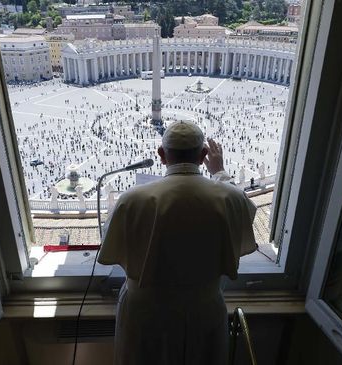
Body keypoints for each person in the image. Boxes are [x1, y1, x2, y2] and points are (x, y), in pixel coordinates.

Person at [97, 121, 258, 365]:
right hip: (204, 310)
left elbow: (112, 248)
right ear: (204, 155)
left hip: (145, 312)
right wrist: (220, 172)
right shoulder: (229, 197)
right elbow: (245, 209)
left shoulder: (130, 200)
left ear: (161, 155)